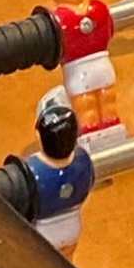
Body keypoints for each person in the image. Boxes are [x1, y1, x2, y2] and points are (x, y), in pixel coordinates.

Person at [9, 93, 97, 257]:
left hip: (43, 231)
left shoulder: (33, 168)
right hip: (71, 226)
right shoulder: (83, 160)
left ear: (40, 136)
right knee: (68, 266)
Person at [46, 0, 121, 140]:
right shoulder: (58, 20)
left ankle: (113, 131)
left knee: (108, 98)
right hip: (77, 70)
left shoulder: (99, 9)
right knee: (85, 103)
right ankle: (91, 134)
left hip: (101, 63)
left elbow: (109, 31)